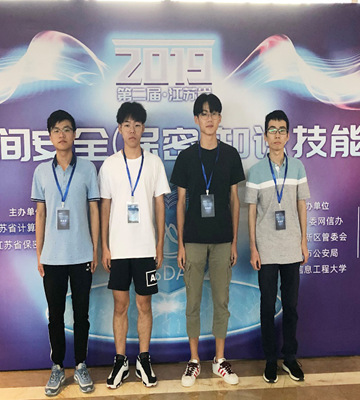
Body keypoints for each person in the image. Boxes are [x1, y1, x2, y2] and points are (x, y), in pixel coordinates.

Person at [170, 93, 245, 387]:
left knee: (221, 300)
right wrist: (180, 244)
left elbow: (235, 201)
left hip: (223, 239)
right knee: (193, 301)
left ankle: (219, 360)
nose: (209, 118)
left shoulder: (230, 155)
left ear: (220, 118)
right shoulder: (187, 157)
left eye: (214, 113)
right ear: (196, 119)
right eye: (204, 113)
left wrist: (235, 240)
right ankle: (193, 361)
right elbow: (180, 202)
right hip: (194, 241)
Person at [99, 102, 170, 389]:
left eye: (137, 125)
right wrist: (105, 246)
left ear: (143, 129)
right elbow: (105, 206)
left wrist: (160, 245)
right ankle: (120, 361)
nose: (132, 130)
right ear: (119, 128)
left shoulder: (153, 163)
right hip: (118, 249)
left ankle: (143, 359)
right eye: (127, 125)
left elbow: (160, 204)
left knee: (144, 304)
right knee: (120, 305)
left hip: (144, 249)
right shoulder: (109, 165)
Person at [31, 110, 100, 396]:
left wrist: (95, 249)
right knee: (55, 316)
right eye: (56, 130)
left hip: (82, 254)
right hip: (52, 257)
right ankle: (58, 367)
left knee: (82, 315)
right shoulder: (41, 172)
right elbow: (40, 213)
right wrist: (39, 253)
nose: (62, 135)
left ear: (74, 134)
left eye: (67, 129)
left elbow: (94, 209)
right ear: (50, 136)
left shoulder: (87, 169)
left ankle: (81, 364)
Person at [245, 110, 310, 384]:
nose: (277, 135)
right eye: (272, 130)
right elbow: (251, 212)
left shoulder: (298, 167)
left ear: (288, 135)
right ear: (265, 135)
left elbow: (301, 205)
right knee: (267, 306)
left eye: (282, 130)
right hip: (267, 250)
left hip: (292, 247)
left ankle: (290, 358)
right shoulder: (256, 171)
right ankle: (270, 359)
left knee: (291, 306)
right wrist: (254, 247)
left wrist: (304, 241)